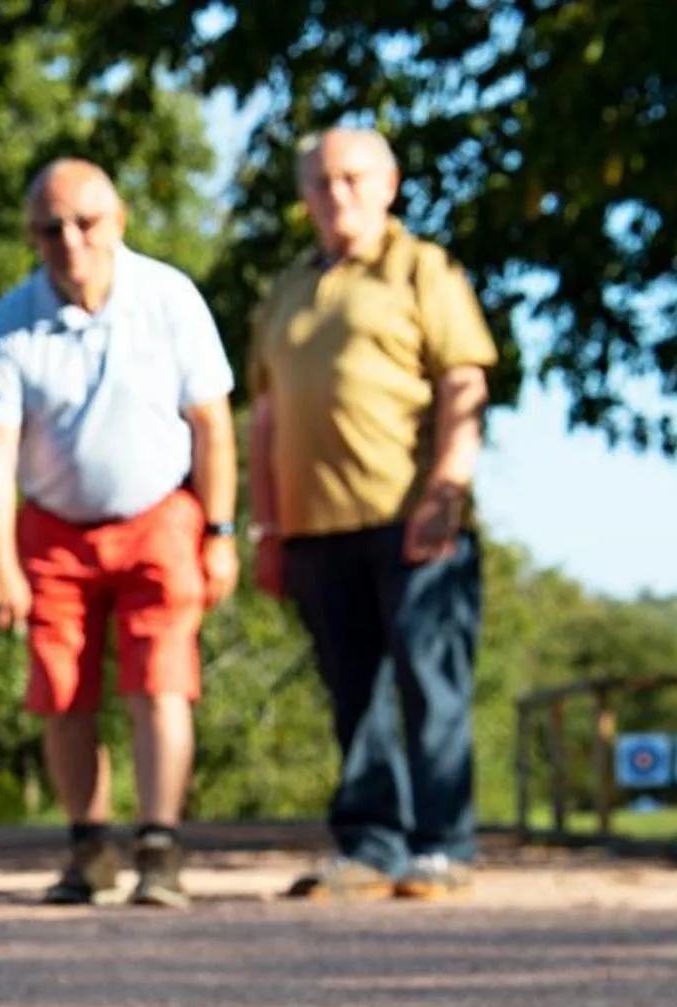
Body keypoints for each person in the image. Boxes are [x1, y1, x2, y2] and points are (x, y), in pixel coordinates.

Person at [0, 159, 240, 909]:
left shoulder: (170, 297)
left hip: (162, 515)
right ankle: (89, 846)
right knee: (61, 689)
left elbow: (211, 422)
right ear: (32, 237)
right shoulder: (11, 319)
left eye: (85, 221)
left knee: (162, 680)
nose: (70, 240)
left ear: (117, 220)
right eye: (50, 227)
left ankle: (160, 845)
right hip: (53, 528)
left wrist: (219, 529)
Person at [248, 128, 498, 901]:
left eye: (354, 178)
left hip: (412, 517)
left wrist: (447, 489)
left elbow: (463, 384)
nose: (338, 194)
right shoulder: (285, 290)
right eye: (322, 182)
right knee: (352, 691)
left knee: (430, 683)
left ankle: (443, 845)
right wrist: (267, 527)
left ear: (389, 184)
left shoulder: (422, 269)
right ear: (304, 197)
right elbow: (263, 417)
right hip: (316, 527)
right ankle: (370, 844)